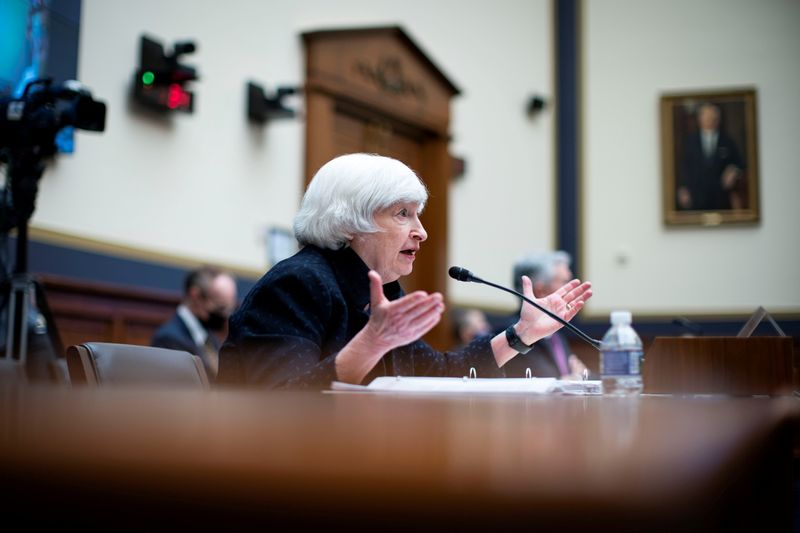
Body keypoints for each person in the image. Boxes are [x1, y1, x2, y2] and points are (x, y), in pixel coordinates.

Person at [218, 153, 592, 389]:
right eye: (403, 214)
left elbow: (442, 374)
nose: (422, 231)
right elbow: (276, 406)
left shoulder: (381, 291)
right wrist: (372, 343)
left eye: (418, 214)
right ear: (351, 221)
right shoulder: (296, 285)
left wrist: (521, 334)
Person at [501, 251, 589, 380]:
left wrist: (580, 376)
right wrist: (570, 380)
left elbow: (578, 373)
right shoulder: (510, 336)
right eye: (565, 282)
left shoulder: (557, 335)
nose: (571, 290)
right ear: (540, 290)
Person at [151, 266, 238, 380]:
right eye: (220, 307)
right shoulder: (167, 340)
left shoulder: (211, 338)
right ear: (195, 296)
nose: (226, 316)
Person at [677, 103, 744, 211]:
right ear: (699, 118)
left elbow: (740, 163)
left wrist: (734, 170)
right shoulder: (690, 142)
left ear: (718, 119)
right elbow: (684, 167)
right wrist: (683, 189)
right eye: (706, 116)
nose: (710, 119)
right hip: (696, 197)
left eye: (713, 116)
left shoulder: (727, 141)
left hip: (720, 197)